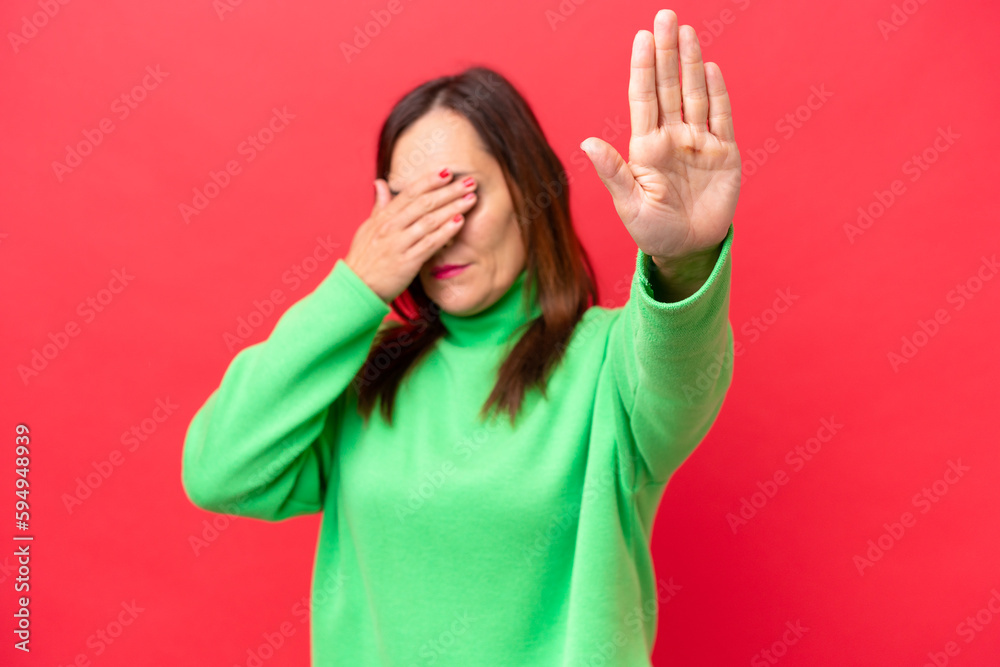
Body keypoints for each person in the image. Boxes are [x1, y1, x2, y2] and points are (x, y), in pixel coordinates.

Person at [181, 8, 740, 665]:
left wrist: (684, 259)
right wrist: (356, 286)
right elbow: (218, 472)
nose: (440, 232)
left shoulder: (610, 365)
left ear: (528, 194)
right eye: (412, 206)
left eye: (461, 196)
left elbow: (681, 367)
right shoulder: (362, 378)